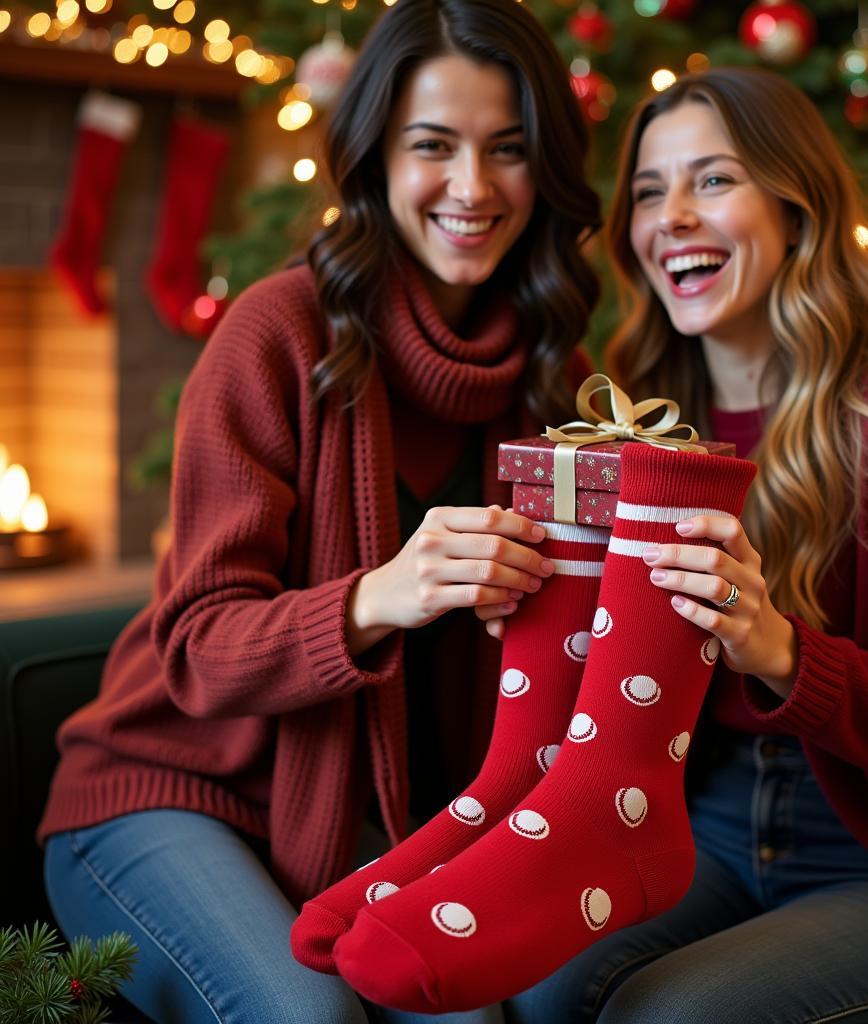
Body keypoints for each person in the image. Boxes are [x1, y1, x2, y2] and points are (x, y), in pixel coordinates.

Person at [38, 1, 601, 1021]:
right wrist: (382, 595)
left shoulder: (559, 377)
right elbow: (199, 648)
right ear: (374, 158)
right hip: (168, 795)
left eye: (507, 151)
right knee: (312, 1018)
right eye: (433, 146)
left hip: (387, 812)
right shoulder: (275, 335)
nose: (472, 188)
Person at [495, 67, 868, 1023]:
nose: (673, 217)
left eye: (713, 180)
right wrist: (529, 610)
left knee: (674, 1016)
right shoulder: (638, 427)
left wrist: (780, 650)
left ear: (796, 208)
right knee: (536, 990)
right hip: (699, 836)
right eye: (651, 192)